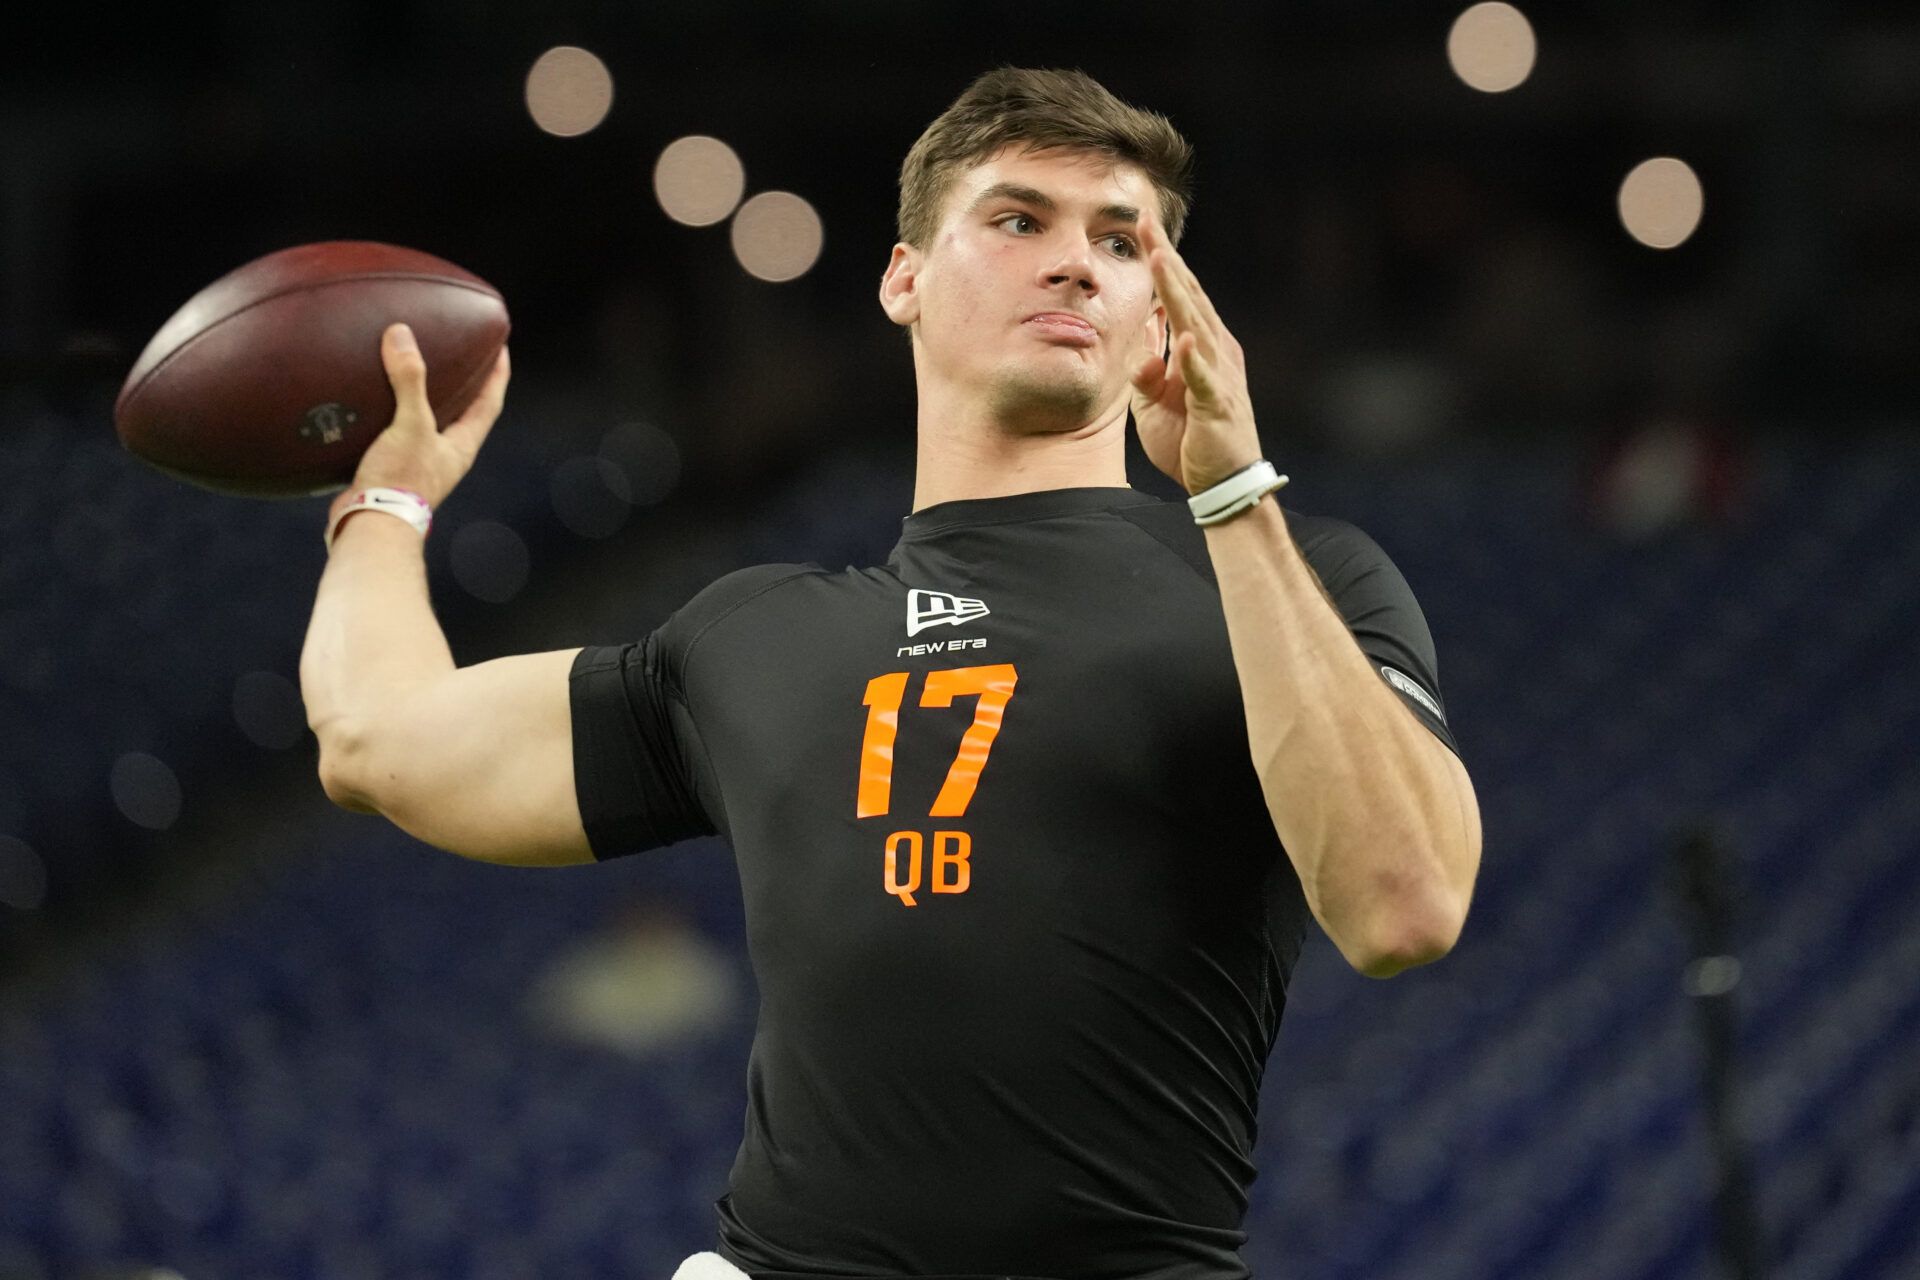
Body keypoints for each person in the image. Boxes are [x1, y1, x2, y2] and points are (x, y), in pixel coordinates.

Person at [300, 67, 1481, 1280]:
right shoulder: (751, 637)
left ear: (1160, 314)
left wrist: (1235, 494)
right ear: (903, 278)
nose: (1075, 262)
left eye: (1121, 241)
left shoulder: (1295, 581)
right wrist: (387, 500)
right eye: (1020, 220)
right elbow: (376, 737)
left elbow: (1406, 908)